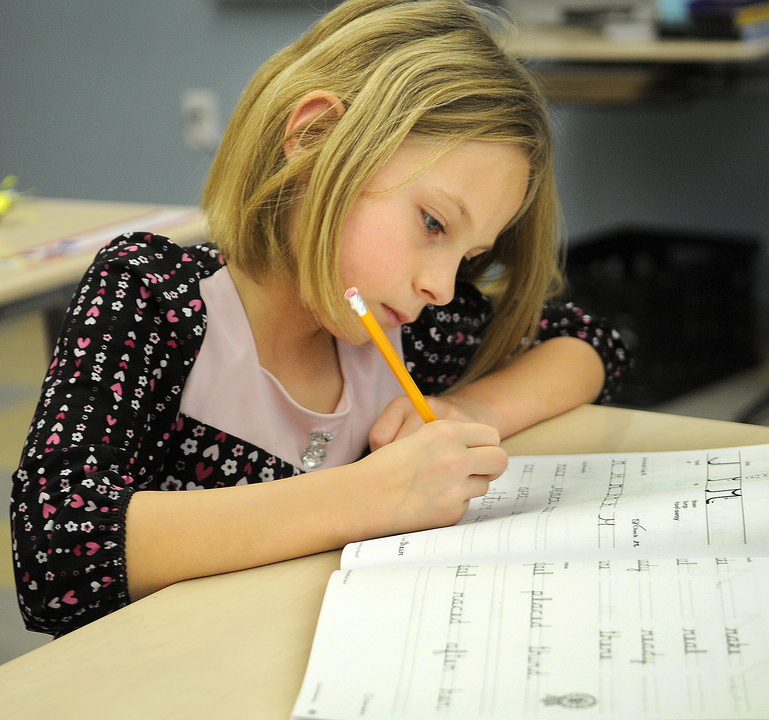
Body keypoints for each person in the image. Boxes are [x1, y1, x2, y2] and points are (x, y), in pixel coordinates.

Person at [11, 0, 629, 637]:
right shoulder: (154, 296)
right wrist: (371, 496)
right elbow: (54, 556)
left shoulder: (405, 328)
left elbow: (587, 342)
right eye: (433, 224)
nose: (441, 287)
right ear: (314, 140)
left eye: (469, 256)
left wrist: (474, 411)